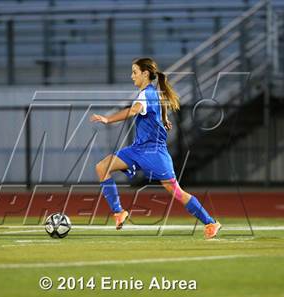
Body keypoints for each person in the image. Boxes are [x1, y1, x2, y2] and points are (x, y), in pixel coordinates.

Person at [90, 57, 221, 239]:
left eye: (135, 72)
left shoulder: (146, 95)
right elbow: (159, 104)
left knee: (177, 192)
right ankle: (118, 212)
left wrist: (108, 119)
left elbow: (134, 110)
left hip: (154, 152)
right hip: (137, 149)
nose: (131, 76)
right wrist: (164, 119)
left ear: (145, 74)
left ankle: (211, 222)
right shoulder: (150, 92)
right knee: (102, 167)